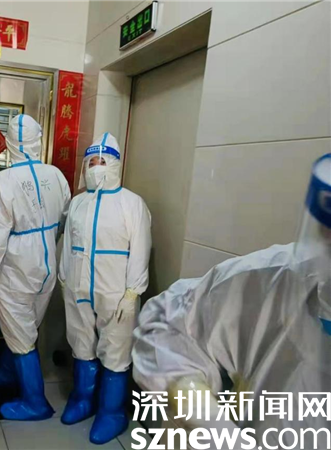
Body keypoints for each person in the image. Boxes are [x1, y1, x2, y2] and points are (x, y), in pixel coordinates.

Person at [132, 154, 331, 449]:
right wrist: (209, 420)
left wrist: (131, 287)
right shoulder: (276, 281)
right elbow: (167, 324)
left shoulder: (130, 205)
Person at [0, 114, 71, 421]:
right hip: (47, 264)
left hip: (15, 267)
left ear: (9, 143)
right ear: (38, 140)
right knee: (24, 326)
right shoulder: (56, 175)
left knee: (21, 332)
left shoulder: (1, 181)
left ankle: (35, 402)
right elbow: (65, 219)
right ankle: (7, 371)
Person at [59, 132, 152, 444]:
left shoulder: (132, 204)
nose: (95, 167)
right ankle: (82, 400)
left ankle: (111, 412)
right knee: (81, 343)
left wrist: (132, 292)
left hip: (116, 293)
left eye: (101, 161)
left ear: (114, 164)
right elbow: (67, 245)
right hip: (78, 288)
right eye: (90, 162)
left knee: (116, 350)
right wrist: (64, 278)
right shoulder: (78, 203)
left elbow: (140, 249)